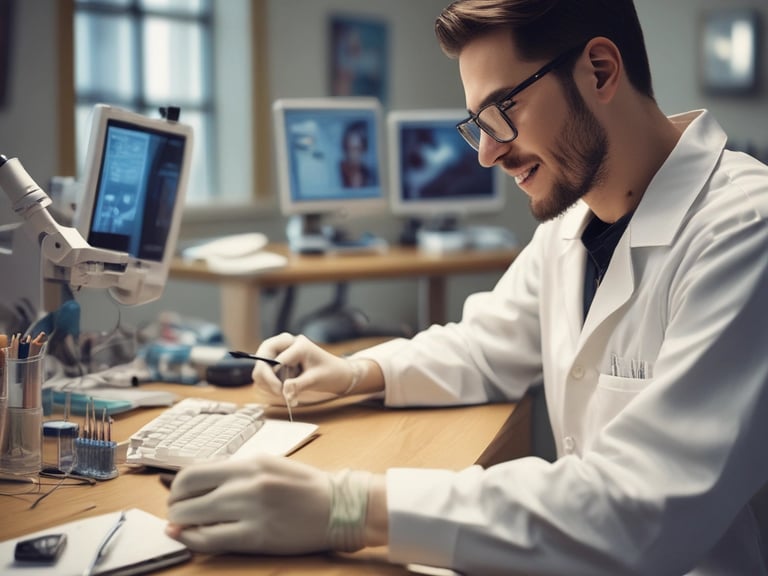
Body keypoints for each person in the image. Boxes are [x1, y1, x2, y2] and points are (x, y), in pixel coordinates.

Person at [165, 0, 768, 573]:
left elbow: (640, 509)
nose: (486, 152)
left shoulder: (743, 231)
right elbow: (483, 347)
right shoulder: (571, 226)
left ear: (600, 70)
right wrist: (353, 373)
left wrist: (348, 508)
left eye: (503, 111)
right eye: (477, 124)